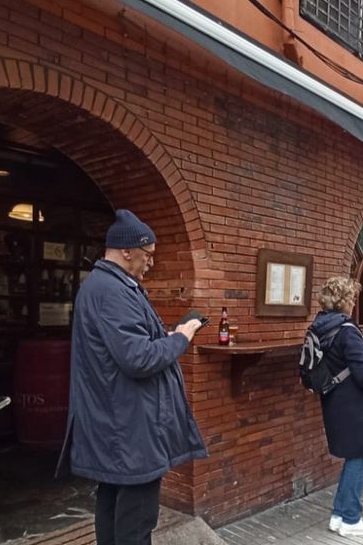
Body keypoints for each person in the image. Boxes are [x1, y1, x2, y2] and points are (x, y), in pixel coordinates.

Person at [58, 209, 206, 545]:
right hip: (129, 428)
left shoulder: (109, 286)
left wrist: (165, 338)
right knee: (136, 522)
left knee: (112, 507)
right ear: (127, 251)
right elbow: (138, 359)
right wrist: (182, 337)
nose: (150, 263)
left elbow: (129, 347)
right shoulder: (112, 291)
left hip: (118, 424)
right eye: (148, 254)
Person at [311, 278, 363, 538]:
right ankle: (351, 519)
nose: (354, 302)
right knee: (358, 457)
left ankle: (338, 514)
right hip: (356, 403)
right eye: (352, 298)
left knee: (352, 456)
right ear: (344, 301)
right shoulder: (347, 330)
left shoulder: (318, 326)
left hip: (334, 399)